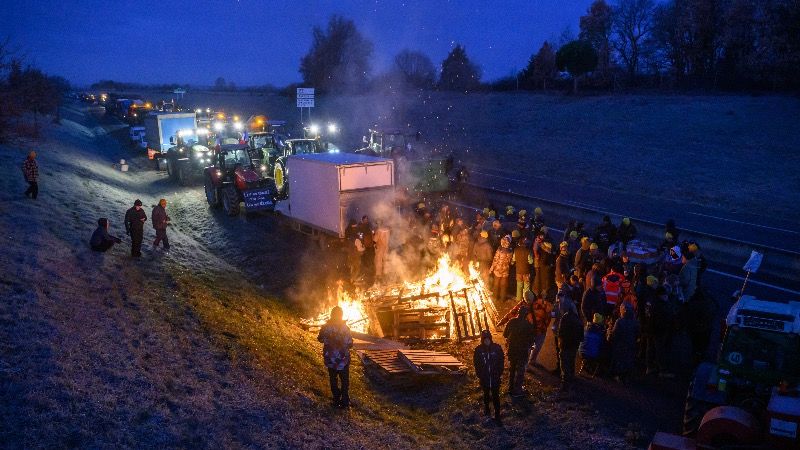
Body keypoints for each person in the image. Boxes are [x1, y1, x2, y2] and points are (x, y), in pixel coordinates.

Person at [317, 306, 354, 408]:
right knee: (345, 381)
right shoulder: (345, 328)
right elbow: (350, 343)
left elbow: (320, 339)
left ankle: (336, 398)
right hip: (343, 360)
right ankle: (345, 401)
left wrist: (329, 340)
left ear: (331, 315)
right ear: (341, 315)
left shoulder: (326, 327)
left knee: (333, 379)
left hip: (331, 359)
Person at [473, 330, 504, 423]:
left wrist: (499, 372)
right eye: (484, 339)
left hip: (495, 378)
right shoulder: (478, 350)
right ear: (482, 340)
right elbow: (476, 363)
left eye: (488, 338)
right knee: (486, 394)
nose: (487, 341)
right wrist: (480, 374)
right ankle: (487, 409)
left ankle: (497, 415)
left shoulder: (497, 348)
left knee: (496, 396)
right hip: (485, 378)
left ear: (490, 338)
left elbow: (501, 361)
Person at [503, 306, 535, 396]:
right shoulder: (528, 325)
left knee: (512, 369)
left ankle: (511, 387)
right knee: (520, 370)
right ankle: (518, 390)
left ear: (518, 313)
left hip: (512, 350)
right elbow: (532, 340)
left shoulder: (511, 321)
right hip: (522, 352)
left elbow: (505, 335)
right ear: (526, 315)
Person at [556, 294, 583, 392]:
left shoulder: (565, 318)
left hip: (565, 344)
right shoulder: (578, 319)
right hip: (574, 345)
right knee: (571, 361)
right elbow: (581, 334)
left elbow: (560, 332)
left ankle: (565, 383)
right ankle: (572, 378)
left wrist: (560, 340)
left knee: (564, 363)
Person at [608, 303, 640, 383]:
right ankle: (627, 375)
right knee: (628, 358)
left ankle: (619, 375)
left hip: (620, 344)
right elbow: (637, 333)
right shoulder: (635, 321)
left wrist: (609, 334)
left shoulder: (620, 321)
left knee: (620, 358)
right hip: (631, 343)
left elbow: (614, 333)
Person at [527, 291, 552, 370]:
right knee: (535, 346)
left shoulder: (542, 304)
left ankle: (530, 361)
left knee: (531, 346)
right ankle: (530, 361)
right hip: (538, 330)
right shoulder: (544, 304)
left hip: (536, 330)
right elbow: (549, 314)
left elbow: (549, 312)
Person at [489, 236, 513, 302]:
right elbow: (511, 261)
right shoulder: (510, 251)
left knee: (496, 284)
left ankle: (495, 297)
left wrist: (491, 268)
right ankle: (502, 299)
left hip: (498, 269)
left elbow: (495, 260)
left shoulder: (499, 250)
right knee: (503, 285)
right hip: (505, 270)